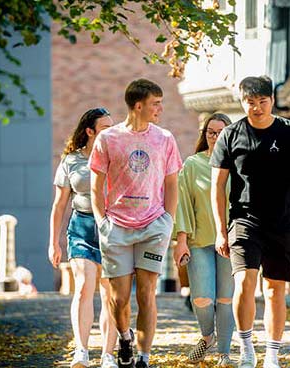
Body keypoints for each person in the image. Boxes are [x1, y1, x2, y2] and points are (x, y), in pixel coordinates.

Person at [210, 76, 290, 368]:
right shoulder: (231, 135)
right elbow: (217, 187)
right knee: (245, 282)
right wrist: (221, 230)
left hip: (283, 222)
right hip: (243, 219)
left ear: (272, 100)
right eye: (251, 102)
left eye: (263, 101)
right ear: (242, 102)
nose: (257, 107)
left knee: (274, 289)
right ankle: (246, 347)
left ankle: (272, 354)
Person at [89, 79, 182, 368]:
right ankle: (125, 339)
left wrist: (168, 220)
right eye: (156, 103)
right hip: (116, 226)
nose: (160, 108)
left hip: (153, 225)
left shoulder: (165, 138)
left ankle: (144, 357)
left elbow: (171, 184)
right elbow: (96, 186)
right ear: (138, 105)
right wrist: (102, 222)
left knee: (146, 293)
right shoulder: (108, 139)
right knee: (119, 298)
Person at [49, 107, 117, 368]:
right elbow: (59, 205)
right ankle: (81, 351)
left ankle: (108, 355)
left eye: (113, 127)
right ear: (89, 131)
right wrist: (53, 241)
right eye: (104, 129)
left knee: (110, 292)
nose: (111, 133)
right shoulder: (71, 161)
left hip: (112, 228)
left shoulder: (117, 157)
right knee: (84, 286)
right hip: (82, 227)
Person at [173, 113, 235, 366]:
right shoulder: (192, 164)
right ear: (205, 134)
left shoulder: (238, 165)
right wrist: (182, 239)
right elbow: (182, 203)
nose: (215, 137)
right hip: (199, 240)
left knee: (225, 300)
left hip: (231, 242)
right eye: (211, 132)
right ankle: (208, 337)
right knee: (201, 298)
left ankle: (224, 353)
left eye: (221, 132)